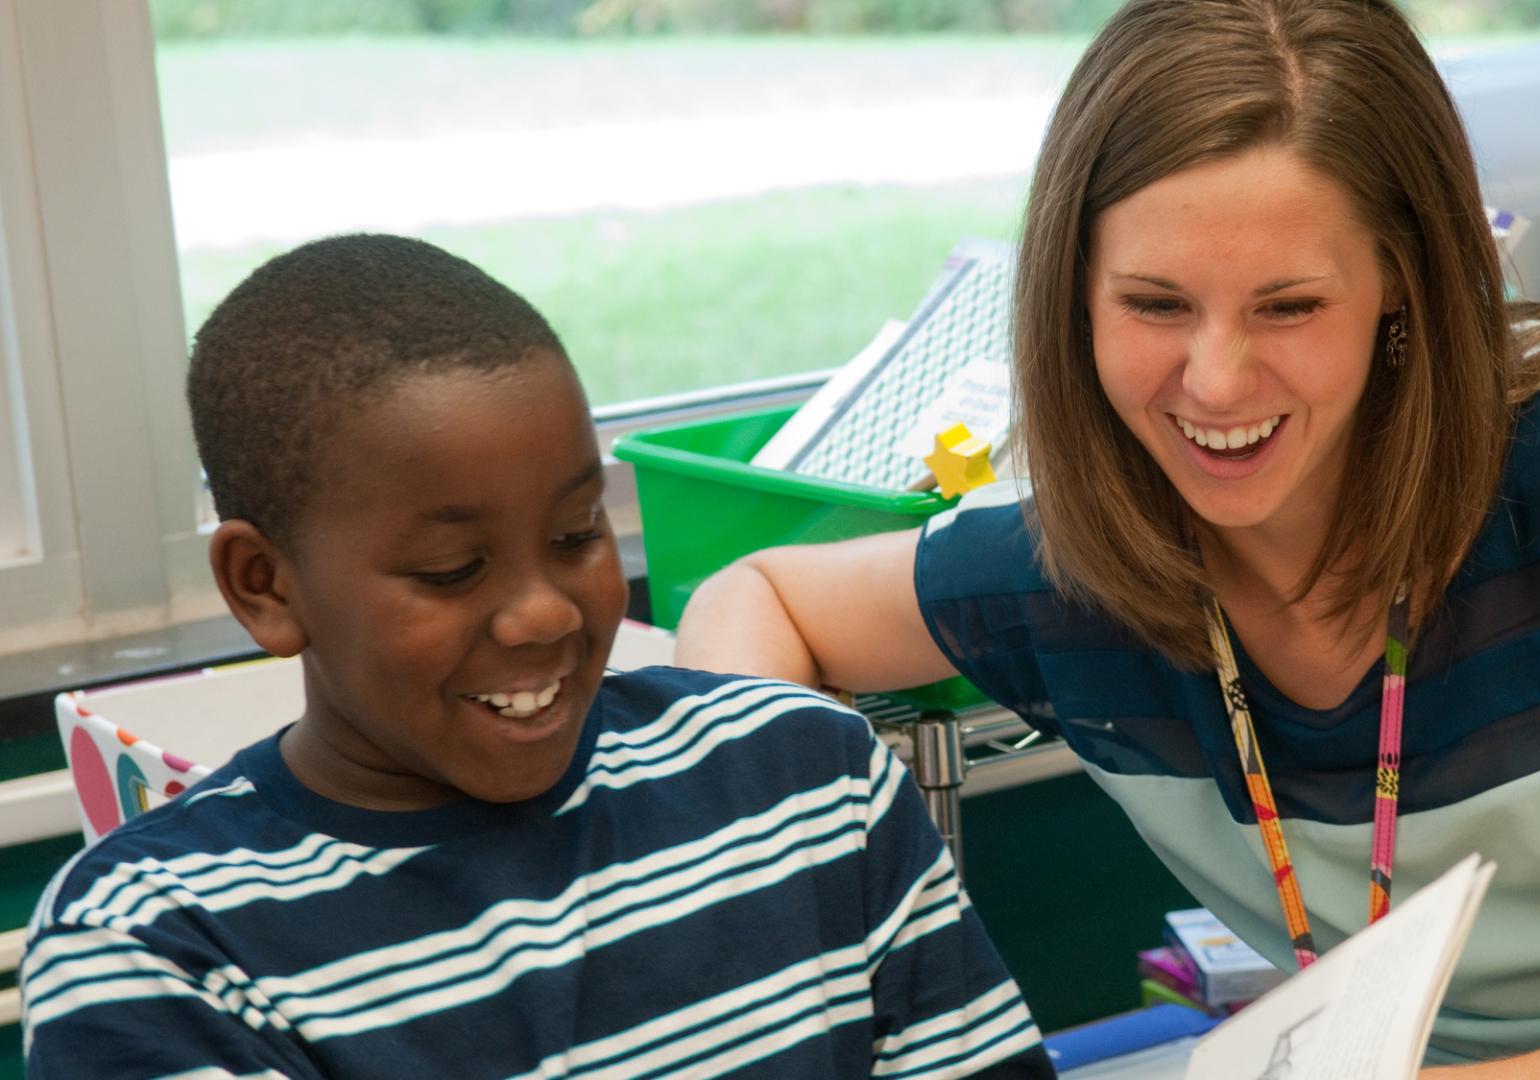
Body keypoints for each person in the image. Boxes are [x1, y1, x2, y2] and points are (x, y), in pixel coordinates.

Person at [673, 1, 1540, 1075]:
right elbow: (759, 592)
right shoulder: (1058, 564)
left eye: (1290, 306)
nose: (1214, 383)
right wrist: (768, 909)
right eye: (1155, 305)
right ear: (1071, 295)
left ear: (1403, 288)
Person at [20, 235, 1053, 1079]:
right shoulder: (155, 947)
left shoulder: (809, 780)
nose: (542, 615)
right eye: (452, 567)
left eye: (574, 537)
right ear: (266, 585)